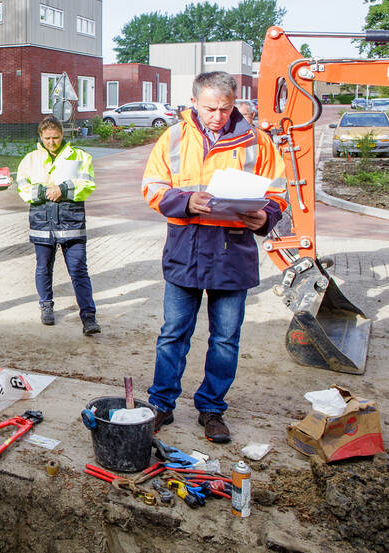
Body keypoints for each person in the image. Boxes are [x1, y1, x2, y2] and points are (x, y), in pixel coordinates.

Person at [142, 71, 286, 443]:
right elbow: (152, 187)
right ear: (194, 103)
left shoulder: (258, 141)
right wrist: (186, 200)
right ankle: (161, 404)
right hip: (185, 248)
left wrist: (265, 215)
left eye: (225, 108)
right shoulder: (172, 137)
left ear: (234, 103)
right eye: (210, 108)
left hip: (231, 252)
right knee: (173, 333)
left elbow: (278, 193)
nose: (218, 116)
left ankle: (212, 409)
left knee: (225, 338)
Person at [16, 116, 101, 336]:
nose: (51, 142)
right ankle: (46, 306)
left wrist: (63, 189)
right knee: (43, 268)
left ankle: (89, 317)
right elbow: (23, 188)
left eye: (55, 137)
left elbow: (87, 184)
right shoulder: (30, 160)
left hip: (71, 223)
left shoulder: (80, 157)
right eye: (47, 138)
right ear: (40, 136)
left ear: (63, 135)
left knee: (79, 271)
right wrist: (45, 192)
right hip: (43, 222)